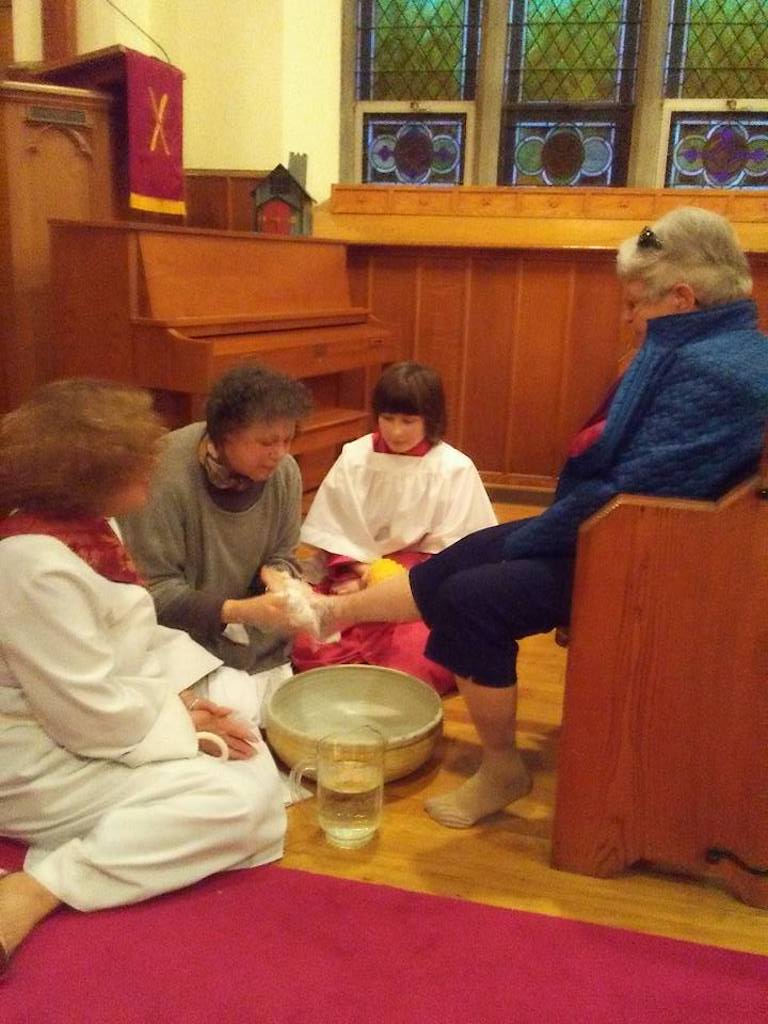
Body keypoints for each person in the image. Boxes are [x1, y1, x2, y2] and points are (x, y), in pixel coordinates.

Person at [280, 207, 768, 830]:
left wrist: (542, 532)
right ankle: (331, 613)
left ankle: (503, 767)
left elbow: (631, 490)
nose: (627, 318)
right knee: (469, 552)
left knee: (469, 599)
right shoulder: (727, 346)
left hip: (654, 556)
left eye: (634, 303)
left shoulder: (713, 369)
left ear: (681, 296)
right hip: (631, 530)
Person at [0, 379, 288, 973]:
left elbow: (133, 637)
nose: (157, 466)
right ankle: (43, 885)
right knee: (244, 798)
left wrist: (183, 694)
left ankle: (129, 831)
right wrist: (188, 729)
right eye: (141, 459)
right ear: (89, 472)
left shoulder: (86, 524)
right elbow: (88, 716)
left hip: (109, 710)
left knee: (237, 702)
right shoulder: (31, 564)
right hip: (37, 750)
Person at [119, 363, 312, 721]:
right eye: (267, 442)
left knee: (286, 718)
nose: (280, 453)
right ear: (223, 435)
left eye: (288, 440)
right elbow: (153, 592)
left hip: (257, 631)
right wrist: (237, 611)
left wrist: (280, 581)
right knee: (239, 723)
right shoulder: (162, 477)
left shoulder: (283, 472)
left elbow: (282, 554)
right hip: (184, 638)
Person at [293, 362, 496, 693]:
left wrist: (379, 583)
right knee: (306, 641)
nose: (396, 431)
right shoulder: (356, 457)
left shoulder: (452, 469)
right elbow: (337, 529)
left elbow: (454, 552)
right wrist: (363, 573)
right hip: (350, 569)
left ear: (430, 419)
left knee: (419, 657)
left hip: (419, 585)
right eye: (388, 419)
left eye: (408, 421)